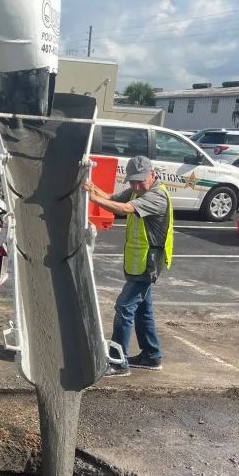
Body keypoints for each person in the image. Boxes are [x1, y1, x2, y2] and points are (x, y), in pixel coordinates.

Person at [83, 154, 173, 376]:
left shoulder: (156, 197)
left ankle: (118, 362)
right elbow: (114, 200)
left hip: (147, 263)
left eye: (140, 180)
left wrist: (92, 198)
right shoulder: (137, 190)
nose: (135, 185)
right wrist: (93, 188)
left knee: (124, 308)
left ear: (153, 175)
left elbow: (124, 209)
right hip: (138, 262)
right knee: (143, 310)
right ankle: (151, 356)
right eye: (132, 181)